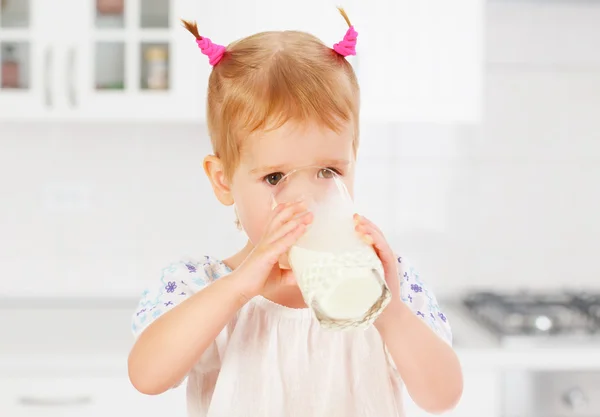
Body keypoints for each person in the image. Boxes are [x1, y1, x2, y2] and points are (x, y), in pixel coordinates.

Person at [128, 8, 463, 417]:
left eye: (328, 171)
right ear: (223, 181)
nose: (305, 199)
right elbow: (146, 376)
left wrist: (389, 313)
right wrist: (238, 288)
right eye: (274, 178)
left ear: (352, 162)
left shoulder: (385, 284)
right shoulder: (202, 284)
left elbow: (443, 396)